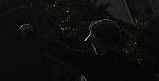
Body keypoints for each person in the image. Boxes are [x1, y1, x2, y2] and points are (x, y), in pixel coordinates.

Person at [21, 19, 149, 81]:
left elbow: (63, 53)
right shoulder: (133, 66)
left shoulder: (96, 63)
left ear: (97, 40)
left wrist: (31, 33)